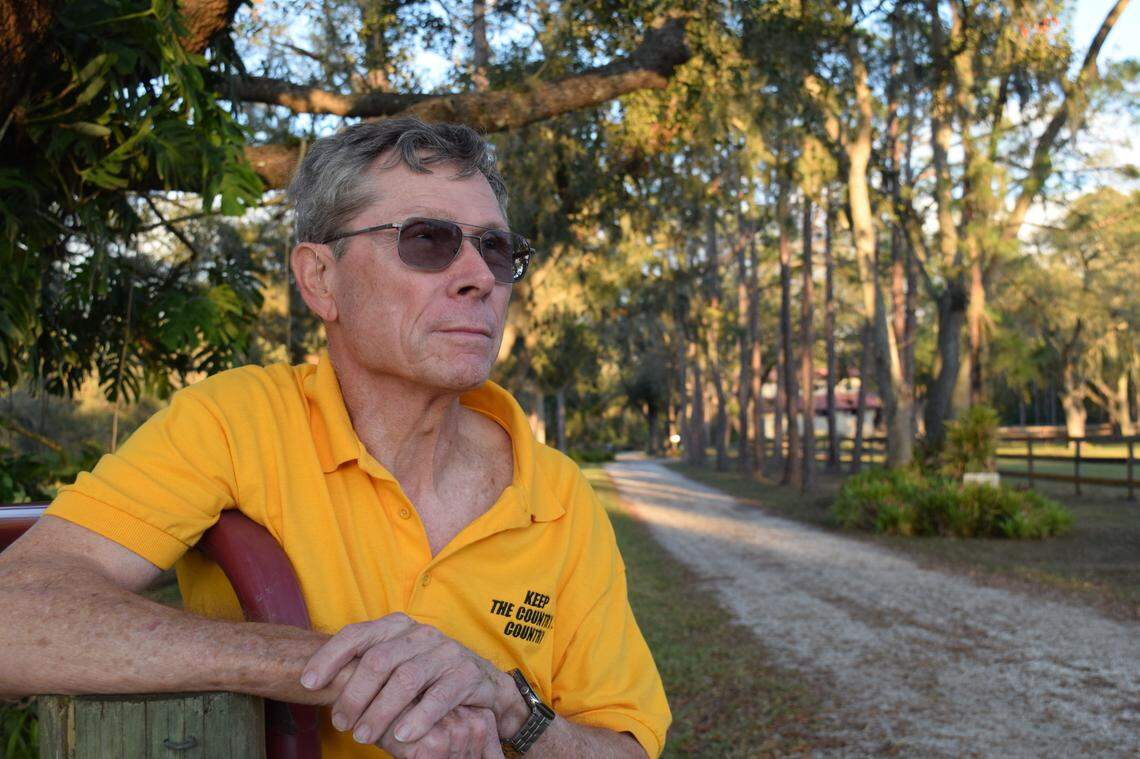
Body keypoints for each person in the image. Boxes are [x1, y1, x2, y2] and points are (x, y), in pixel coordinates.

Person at [0, 119, 670, 758]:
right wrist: (336, 667)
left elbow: (624, 743)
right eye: (427, 240)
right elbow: (17, 613)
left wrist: (511, 709)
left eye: (496, 249)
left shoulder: (556, 494)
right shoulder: (238, 423)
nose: (479, 277)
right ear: (320, 279)